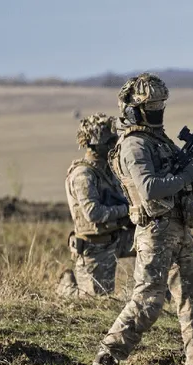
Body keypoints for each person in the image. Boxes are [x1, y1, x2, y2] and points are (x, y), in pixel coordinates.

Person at [84, 73, 193, 365]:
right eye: (151, 107)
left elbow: (192, 182)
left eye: (161, 106)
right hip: (156, 232)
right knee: (147, 302)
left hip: (178, 229)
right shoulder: (134, 144)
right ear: (133, 109)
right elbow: (149, 189)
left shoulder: (159, 142)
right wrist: (186, 173)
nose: (157, 112)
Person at [56, 113, 134, 298]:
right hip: (95, 245)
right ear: (97, 144)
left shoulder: (107, 169)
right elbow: (93, 213)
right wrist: (129, 211)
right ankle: (66, 287)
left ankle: (153, 294)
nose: (116, 143)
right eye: (111, 140)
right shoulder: (84, 175)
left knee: (159, 243)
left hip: (117, 236)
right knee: (95, 300)